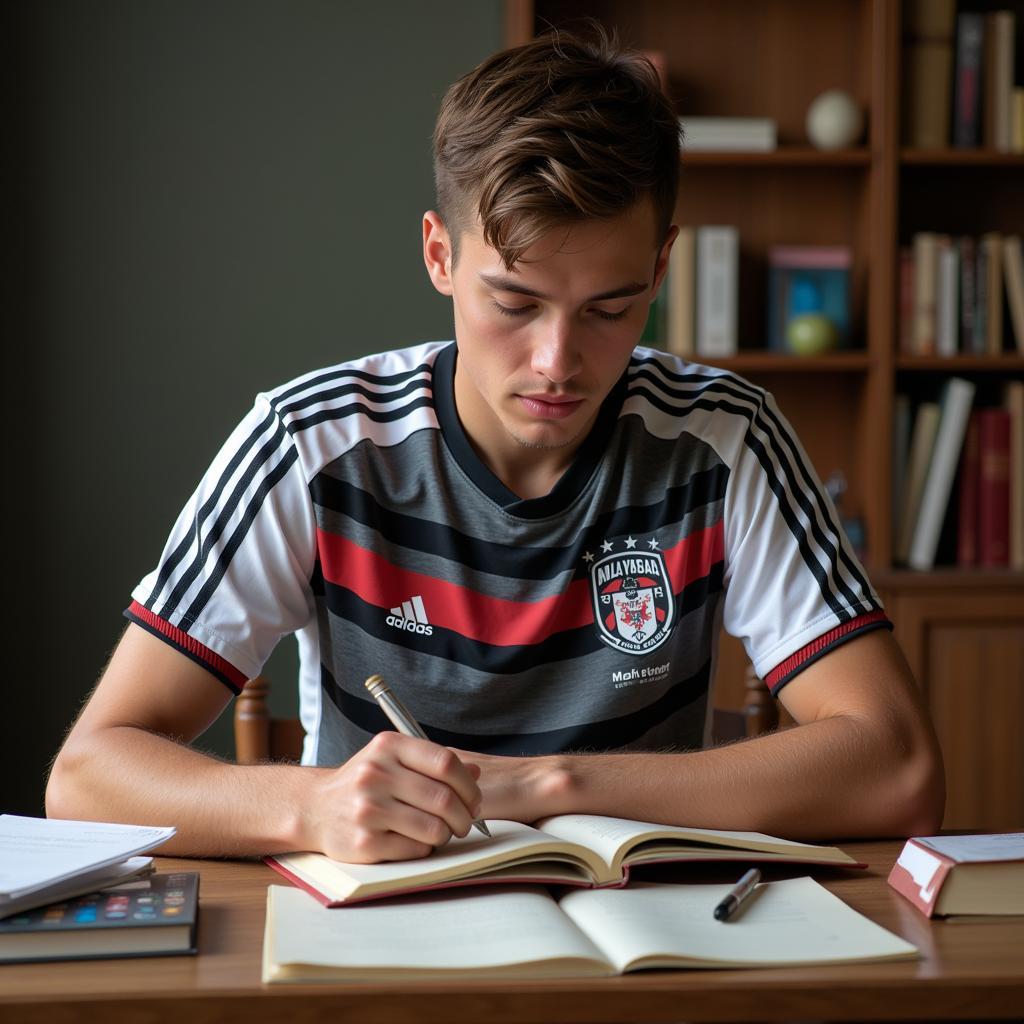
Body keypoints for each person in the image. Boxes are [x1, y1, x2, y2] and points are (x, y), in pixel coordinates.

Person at [46, 28, 944, 862]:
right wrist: (313, 808)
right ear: (439, 256)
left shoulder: (725, 438)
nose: (558, 363)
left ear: (662, 268)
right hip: (385, 926)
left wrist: (552, 785)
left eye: (611, 308)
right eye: (514, 303)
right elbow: (87, 776)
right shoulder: (310, 441)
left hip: (649, 945)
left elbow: (897, 767)